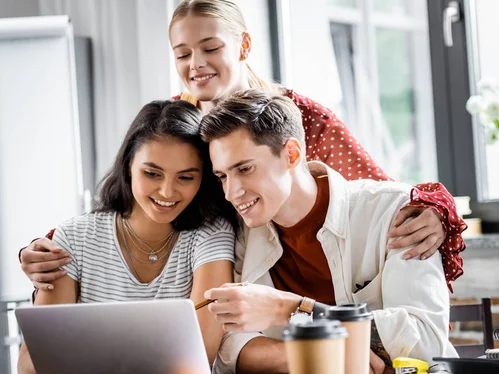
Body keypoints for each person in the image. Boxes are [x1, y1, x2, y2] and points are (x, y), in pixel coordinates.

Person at [19, 0, 466, 290]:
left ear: (243, 45)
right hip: (211, 282)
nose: (196, 64)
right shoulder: (176, 124)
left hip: (302, 282)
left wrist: (435, 211)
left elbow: (377, 196)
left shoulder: (298, 116)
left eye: (210, 47)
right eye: (182, 53)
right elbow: (129, 204)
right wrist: (45, 249)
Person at [198, 89, 458, 374]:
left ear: (291, 154)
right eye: (222, 176)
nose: (231, 192)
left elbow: (425, 341)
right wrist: (325, 353)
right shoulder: (243, 235)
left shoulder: (395, 212)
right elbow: (226, 351)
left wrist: (290, 310)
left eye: (245, 169)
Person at [17, 100, 237, 374]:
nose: (167, 191)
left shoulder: (211, 233)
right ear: (128, 166)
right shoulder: (74, 236)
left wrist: (82, 356)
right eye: (152, 173)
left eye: (185, 177)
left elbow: (199, 355)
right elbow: (32, 367)